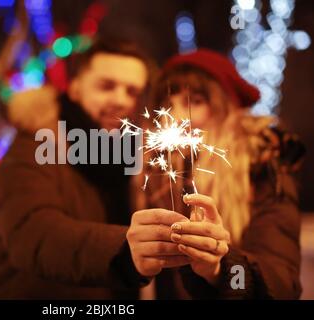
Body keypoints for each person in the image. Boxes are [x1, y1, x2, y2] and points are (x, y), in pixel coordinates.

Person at [0, 37, 191, 299]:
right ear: (76, 88)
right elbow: (35, 236)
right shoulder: (35, 146)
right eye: (106, 86)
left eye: (132, 91)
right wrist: (126, 248)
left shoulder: (125, 160)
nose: (121, 100)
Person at [127, 48, 306, 299]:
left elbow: (282, 283)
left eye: (195, 102)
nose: (178, 117)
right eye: (168, 105)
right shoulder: (153, 173)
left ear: (225, 109)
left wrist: (221, 269)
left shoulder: (263, 169)